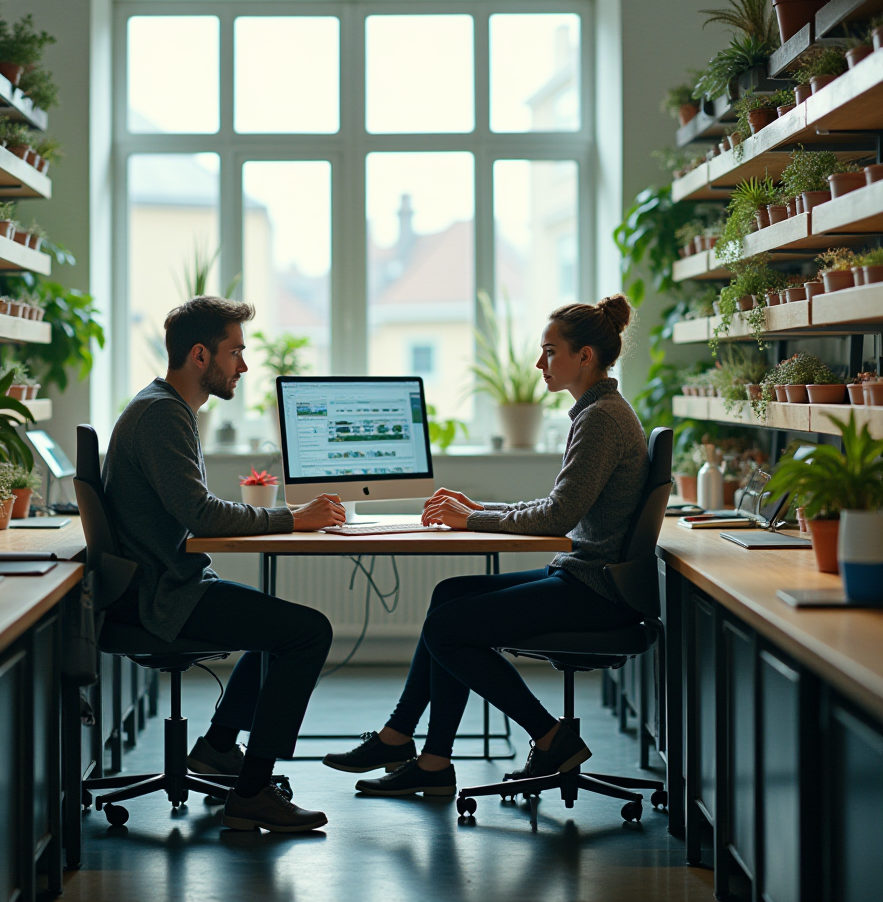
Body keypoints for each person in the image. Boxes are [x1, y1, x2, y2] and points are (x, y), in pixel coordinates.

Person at [322, 294, 649, 797]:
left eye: (550, 351)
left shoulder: (602, 418)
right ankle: (418, 751)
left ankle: (549, 736)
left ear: (585, 356)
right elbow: (558, 504)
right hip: (584, 577)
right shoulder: (597, 411)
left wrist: (471, 517)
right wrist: (477, 510)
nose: (540, 363)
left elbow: (557, 516)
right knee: (450, 595)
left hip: (594, 591)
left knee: (447, 628)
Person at [103, 296, 346, 832]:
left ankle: (217, 749)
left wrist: (288, 518)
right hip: (161, 597)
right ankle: (253, 792)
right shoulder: (163, 415)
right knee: (306, 633)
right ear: (198, 355)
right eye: (235, 352)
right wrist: (292, 518)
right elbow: (201, 514)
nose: (244, 365)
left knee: (276, 630)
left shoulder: (163, 407)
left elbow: (194, 512)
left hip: (166, 584)